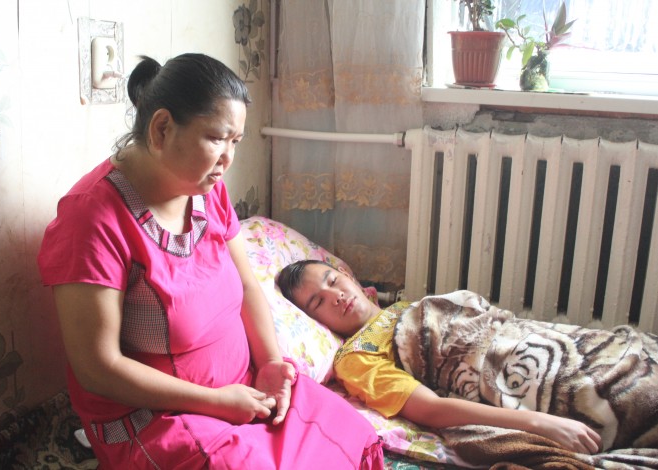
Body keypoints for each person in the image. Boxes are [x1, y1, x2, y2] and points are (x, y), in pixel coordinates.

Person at [37, 54, 383, 470]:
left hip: (241, 391)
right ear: (162, 129)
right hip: (160, 417)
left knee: (352, 435)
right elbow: (98, 368)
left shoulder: (205, 187)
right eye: (218, 139)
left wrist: (270, 364)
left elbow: (248, 286)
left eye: (236, 142)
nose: (228, 159)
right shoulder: (92, 219)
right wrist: (216, 402)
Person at [276, 259, 605, 456]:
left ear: (348, 276)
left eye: (333, 281)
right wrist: (540, 423)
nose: (336, 296)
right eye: (318, 302)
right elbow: (430, 409)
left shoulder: (404, 308)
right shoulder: (356, 356)